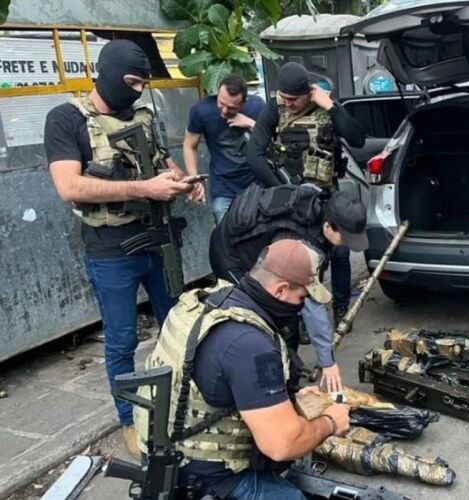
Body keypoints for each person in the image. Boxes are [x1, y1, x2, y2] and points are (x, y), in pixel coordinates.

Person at [43, 40, 197, 458]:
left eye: (144, 83)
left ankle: (180, 408)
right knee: (122, 341)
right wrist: (142, 188)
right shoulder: (66, 119)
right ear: (108, 74)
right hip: (111, 250)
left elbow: (164, 163)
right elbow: (68, 186)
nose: (138, 91)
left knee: (177, 327)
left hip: (160, 240)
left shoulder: (144, 116)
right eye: (131, 82)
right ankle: (131, 421)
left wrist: (181, 181)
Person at [137, 239, 350, 500]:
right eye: (302, 297)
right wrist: (330, 422)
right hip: (203, 476)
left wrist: (287, 400)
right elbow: (282, 445)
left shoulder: (208, 301)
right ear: (281, 290)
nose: (302, 305)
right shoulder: (250, 346)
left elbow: (216, 380)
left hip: (162, 453)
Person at [209, 183, 369, 392]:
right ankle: (261, 388)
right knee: (261, 320)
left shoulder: (320, 201)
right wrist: (327, 362)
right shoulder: (300, 245)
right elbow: (312, 306)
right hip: (232, 256)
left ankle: (288, 378)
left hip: (263, 251)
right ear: (328, 226)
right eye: (346, 238)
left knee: (288, 318)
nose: (347, 244)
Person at [247, 61, 367, 325]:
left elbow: (358, 139)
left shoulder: (326, 106)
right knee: (299, 256)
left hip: (326, 193)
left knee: (339, 252)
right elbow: (253, 153)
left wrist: (331, 106)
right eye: (284, 98)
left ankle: (341, 307)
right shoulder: (274, 109)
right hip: (292, 198)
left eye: (293, 99)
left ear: (308, 92)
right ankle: (298, 315)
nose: (288, 103)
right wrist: (282, 190)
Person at [183, 73, 265, 222]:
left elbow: (273, 141)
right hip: (223, 188)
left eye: (232, 108)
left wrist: (251, 124)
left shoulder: (257, 106)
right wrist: (194, 178)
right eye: (221, 103)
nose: (225, 111)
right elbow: (189, 145)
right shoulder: (201, 111)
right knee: (225, 238)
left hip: (256, 186)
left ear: (244, 102)